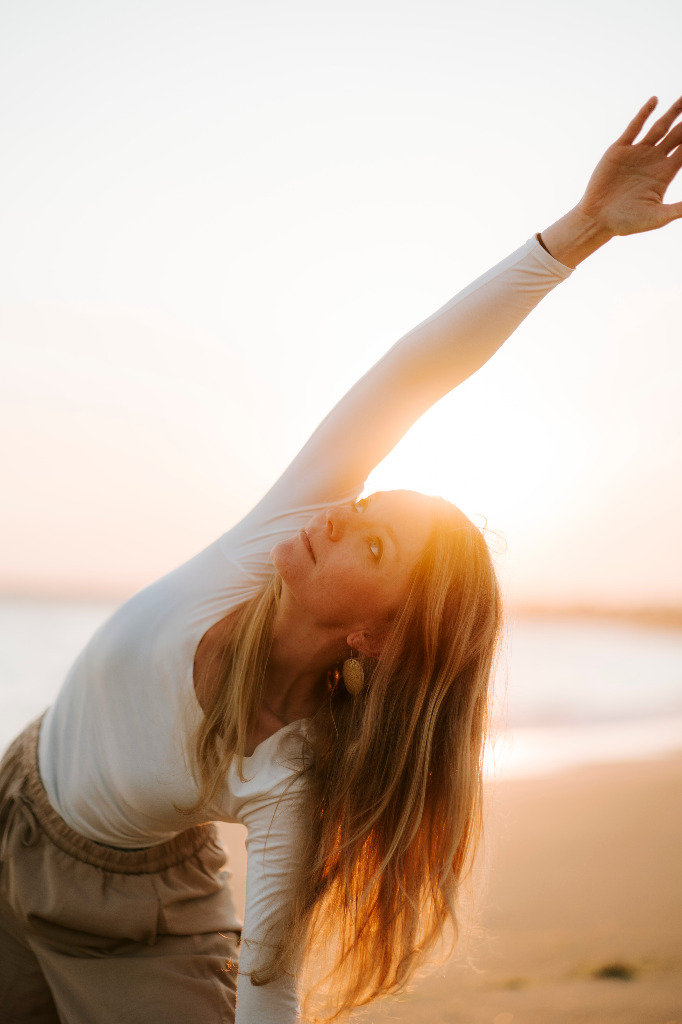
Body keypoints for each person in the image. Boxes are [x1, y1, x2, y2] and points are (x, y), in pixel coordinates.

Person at [1, 96, 681, 1024]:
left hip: (131, 921)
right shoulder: (260, 547)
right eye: (364, 506)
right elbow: (411, 376)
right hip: (12, 798)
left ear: (371, 633)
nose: (336, 516)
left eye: (369, 541)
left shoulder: (292, 776)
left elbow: (270, 985)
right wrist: (580, 232)